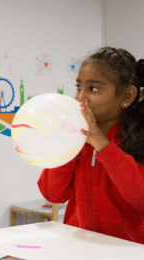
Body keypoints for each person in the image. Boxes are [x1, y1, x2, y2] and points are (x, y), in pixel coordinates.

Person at [38, 47, 144, 244]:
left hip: (127, 252)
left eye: (93, 89)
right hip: (80, 248)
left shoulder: (137, 137)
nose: (80, 98)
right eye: (79, 87)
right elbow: (52, 193)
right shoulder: (77, 138)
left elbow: (140, 198)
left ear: (126, 96)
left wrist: (103, 145)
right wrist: (67, 142)